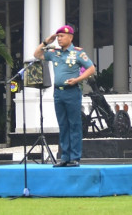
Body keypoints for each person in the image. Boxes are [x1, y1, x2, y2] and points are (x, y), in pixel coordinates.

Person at [34, 25, 96, 167]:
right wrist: (46, 42)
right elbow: (36, 54)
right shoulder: (55, 53)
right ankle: (64, 157)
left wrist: (78, 79)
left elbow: (91, 68)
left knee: (74, 124)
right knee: (63, 125)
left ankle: (75, 157)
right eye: (58, 36)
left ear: (70, 37)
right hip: (58, 92)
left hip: (72, 91)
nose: (59, 39)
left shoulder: (77, 53)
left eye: (62, 36)